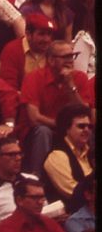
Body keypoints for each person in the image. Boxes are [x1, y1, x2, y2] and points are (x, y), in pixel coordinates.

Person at [20, 39, 94, 175]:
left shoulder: (80, 78)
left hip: (70, 130)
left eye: (72, 56)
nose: (70, 60)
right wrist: (63, 126)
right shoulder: (33, 78)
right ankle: (37, 179)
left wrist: (70, 86)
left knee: (88, 131)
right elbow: (34, 118)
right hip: (42, 131)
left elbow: (85, 114)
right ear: (51, 60)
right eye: (65, 57)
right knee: (43, 131)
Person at [42, 103, 93, 209]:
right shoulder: (57, 155)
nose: (87, 130)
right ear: (67, 128)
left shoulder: (91, 153)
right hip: (73, 217)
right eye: (81, 126)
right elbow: (73, 193)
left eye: (89, 126)